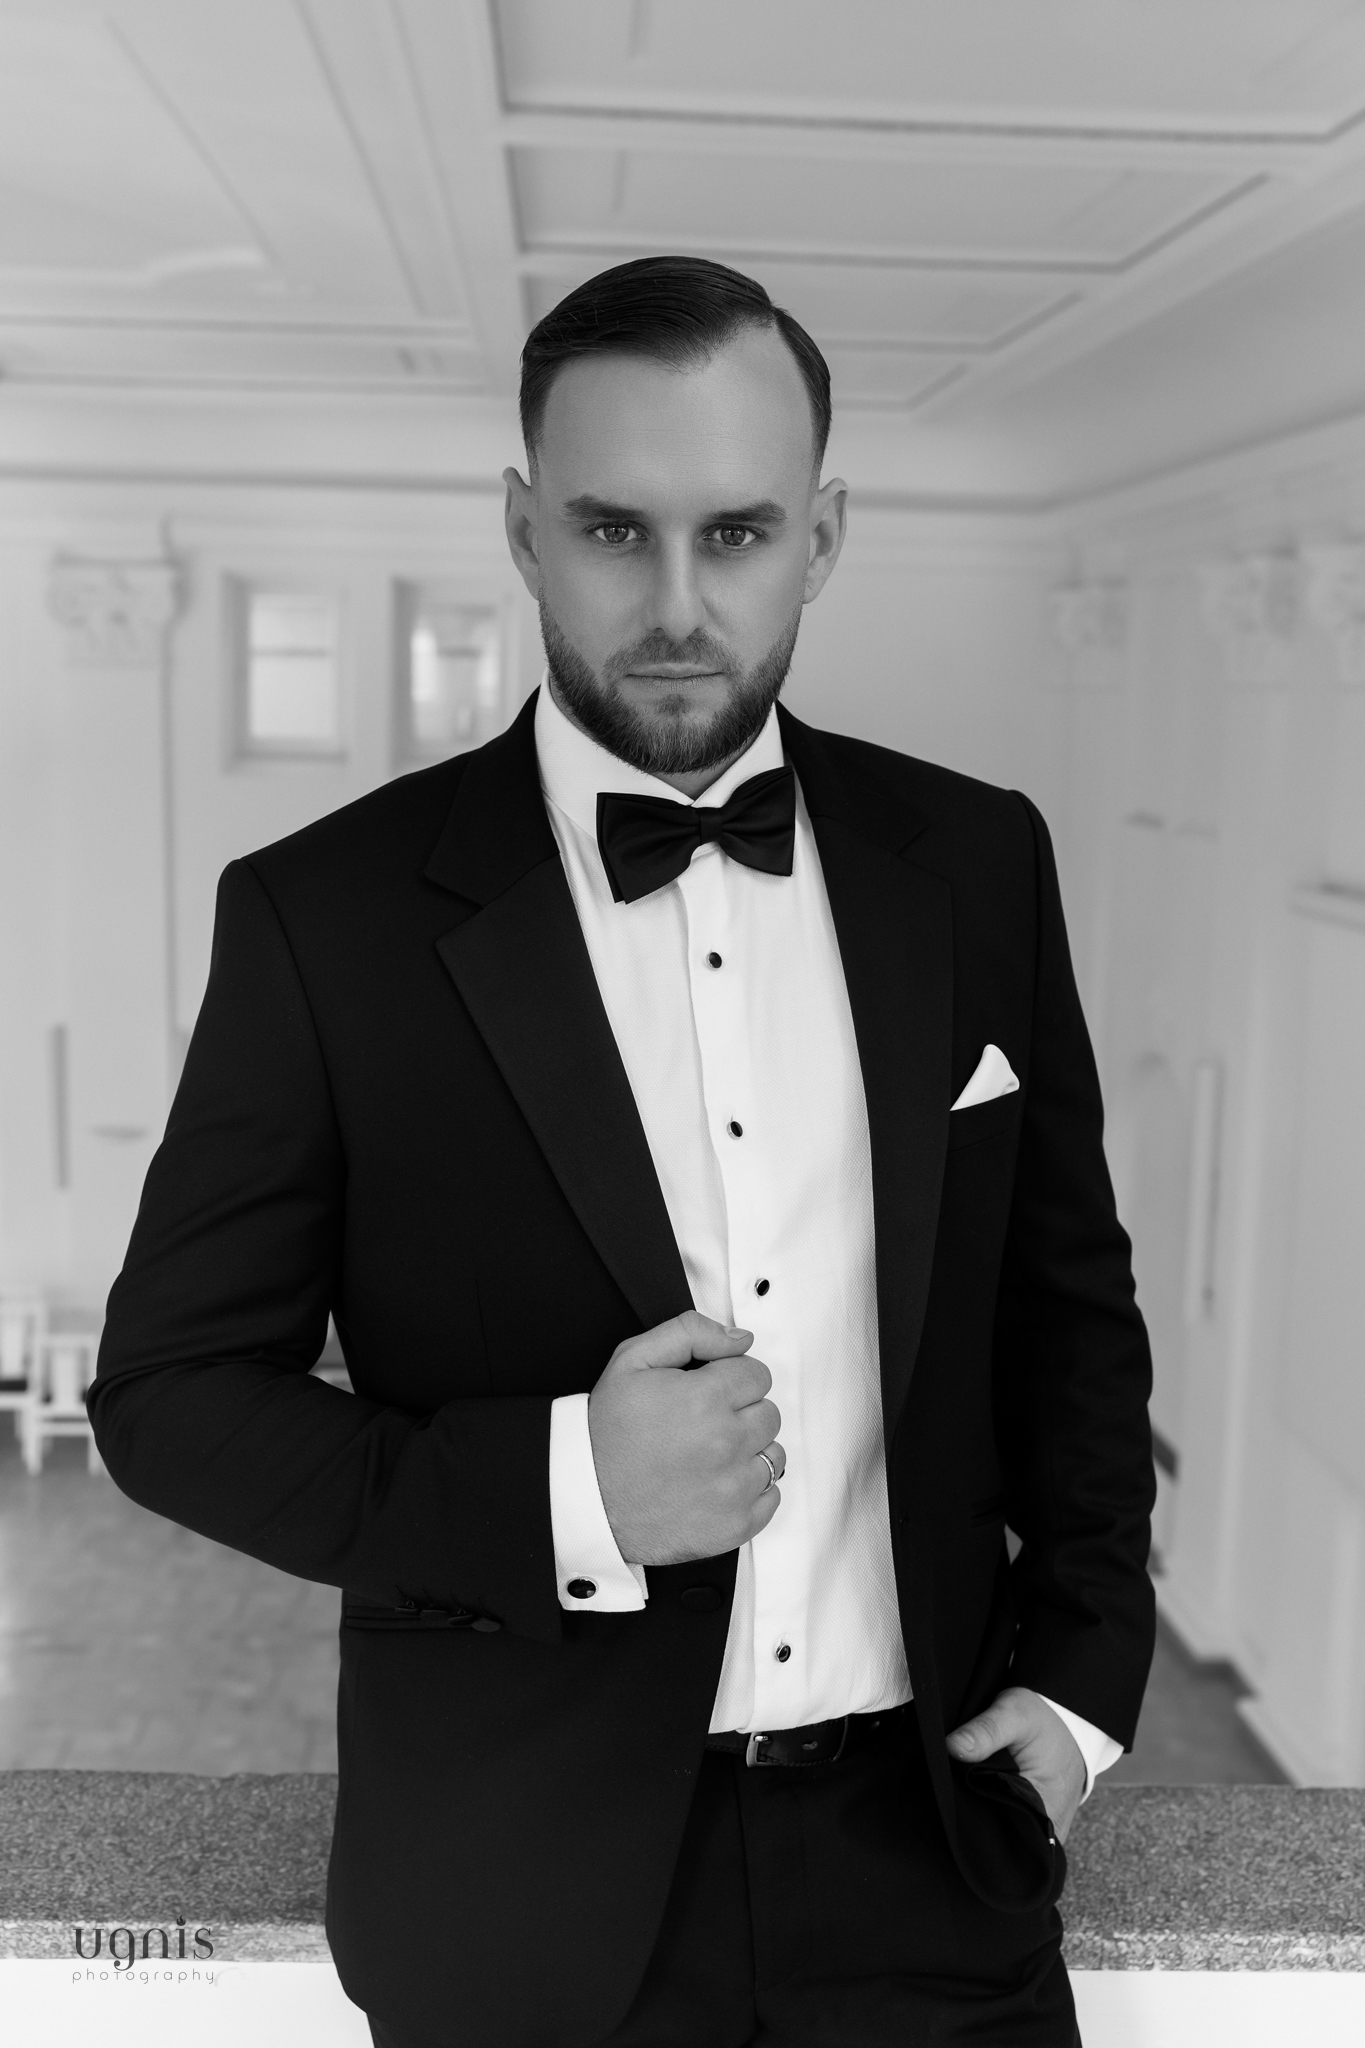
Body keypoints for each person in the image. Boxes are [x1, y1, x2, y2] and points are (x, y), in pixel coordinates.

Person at [89, 255, 1155, 2047]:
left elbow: (1067, 1310)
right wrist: (569, 1489)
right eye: (610, 531)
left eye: (736, 534)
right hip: (515, 1900)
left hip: (935, 1868)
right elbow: (169, 1399)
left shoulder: (978, 863)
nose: (674, 607)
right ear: (524, 529)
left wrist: (1084, 1676)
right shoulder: (323, 918)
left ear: (822, 536)